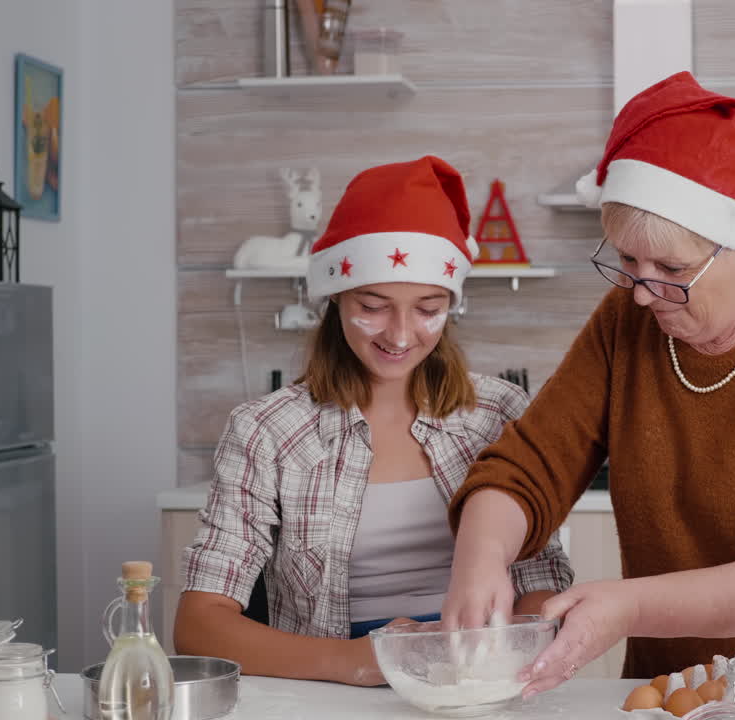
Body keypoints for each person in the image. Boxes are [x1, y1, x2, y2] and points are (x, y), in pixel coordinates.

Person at [441, 72, 735, 695]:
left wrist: (628, 607)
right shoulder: (626, 321)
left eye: (672, 268)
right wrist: (480, 557)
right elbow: (529, 465)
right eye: (628, 262)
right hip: (675, 688)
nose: (641, 292)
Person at [175, 157, 573, 686]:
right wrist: (362, 661)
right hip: (332, 690)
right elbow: (198, 627)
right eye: (374, 304)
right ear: (335, 296)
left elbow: (540, 581)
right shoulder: (265, 432)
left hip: (481, 684)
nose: (402, 334)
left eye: (428, 307)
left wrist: (520, 646)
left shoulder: (499, 414)